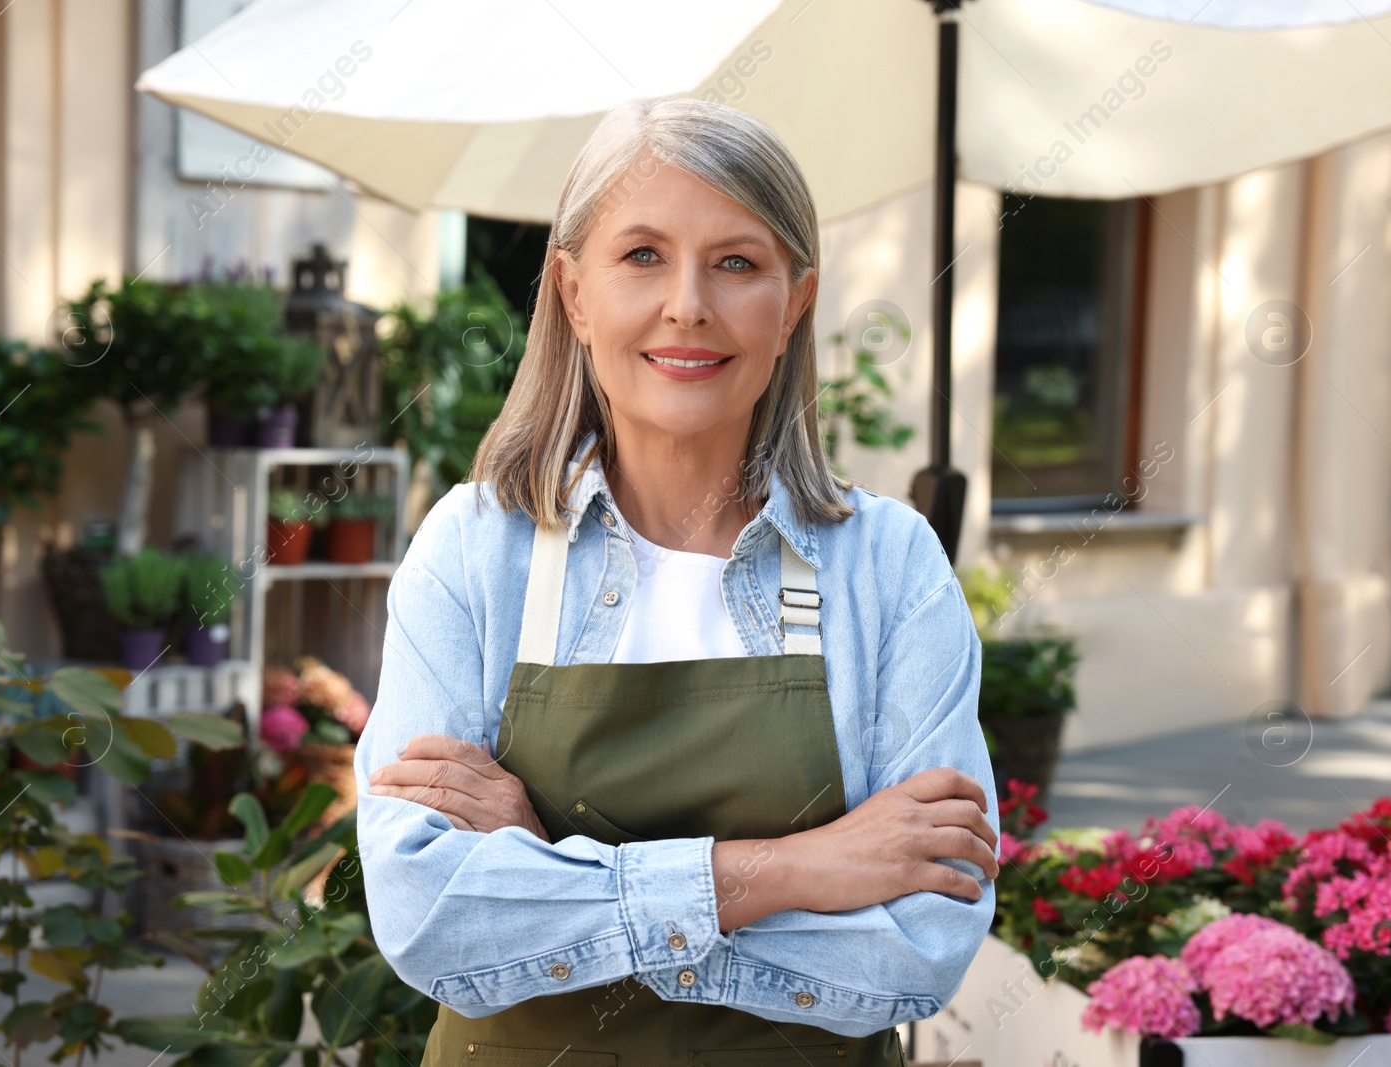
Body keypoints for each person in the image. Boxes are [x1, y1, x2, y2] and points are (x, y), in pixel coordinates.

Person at [355, 93, 1001, 1066]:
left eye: (736, 262)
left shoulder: (889, 564)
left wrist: (547, 870)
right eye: (642, 255)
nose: (688, 303)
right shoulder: (474, 550)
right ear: (574, 293)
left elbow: (916, 951)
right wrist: (797, 868)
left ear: (795, 302)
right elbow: (431, 921)